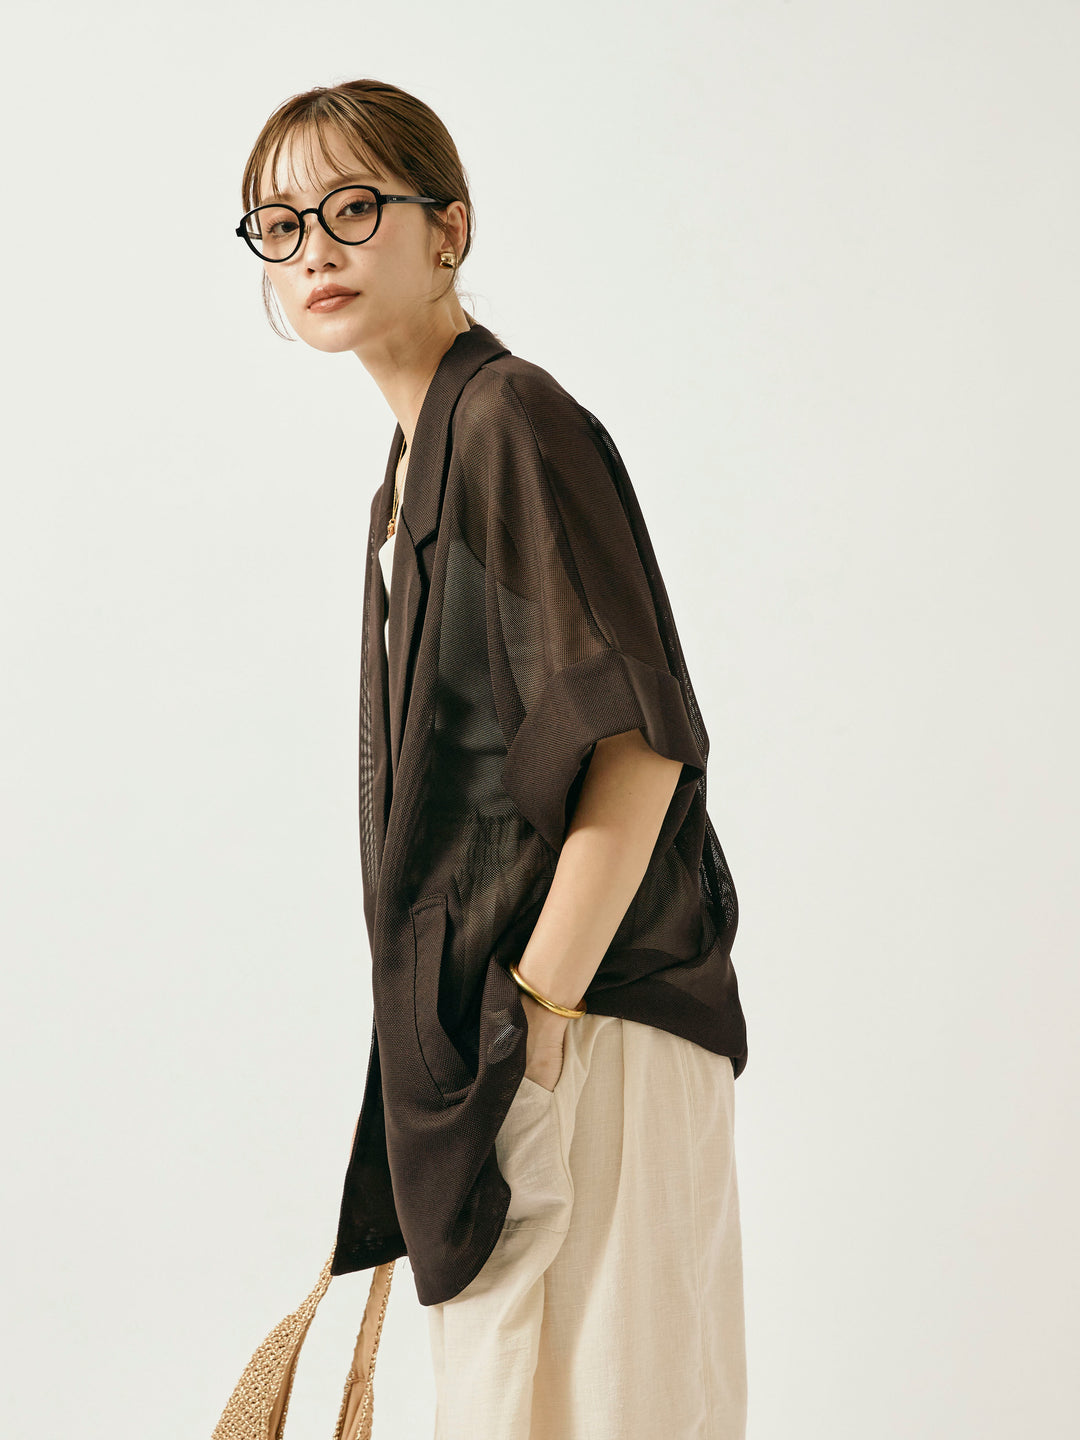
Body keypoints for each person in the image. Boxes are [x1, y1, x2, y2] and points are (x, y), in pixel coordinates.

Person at [221, 77, 748, 1440]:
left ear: (448, 228)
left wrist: (542, 1021)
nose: (315, 249)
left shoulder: (510, 418)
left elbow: (637, 750)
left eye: (353, 207)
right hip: (515, 1049)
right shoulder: (409, 474)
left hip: (592, 1020)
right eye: (281, 224)